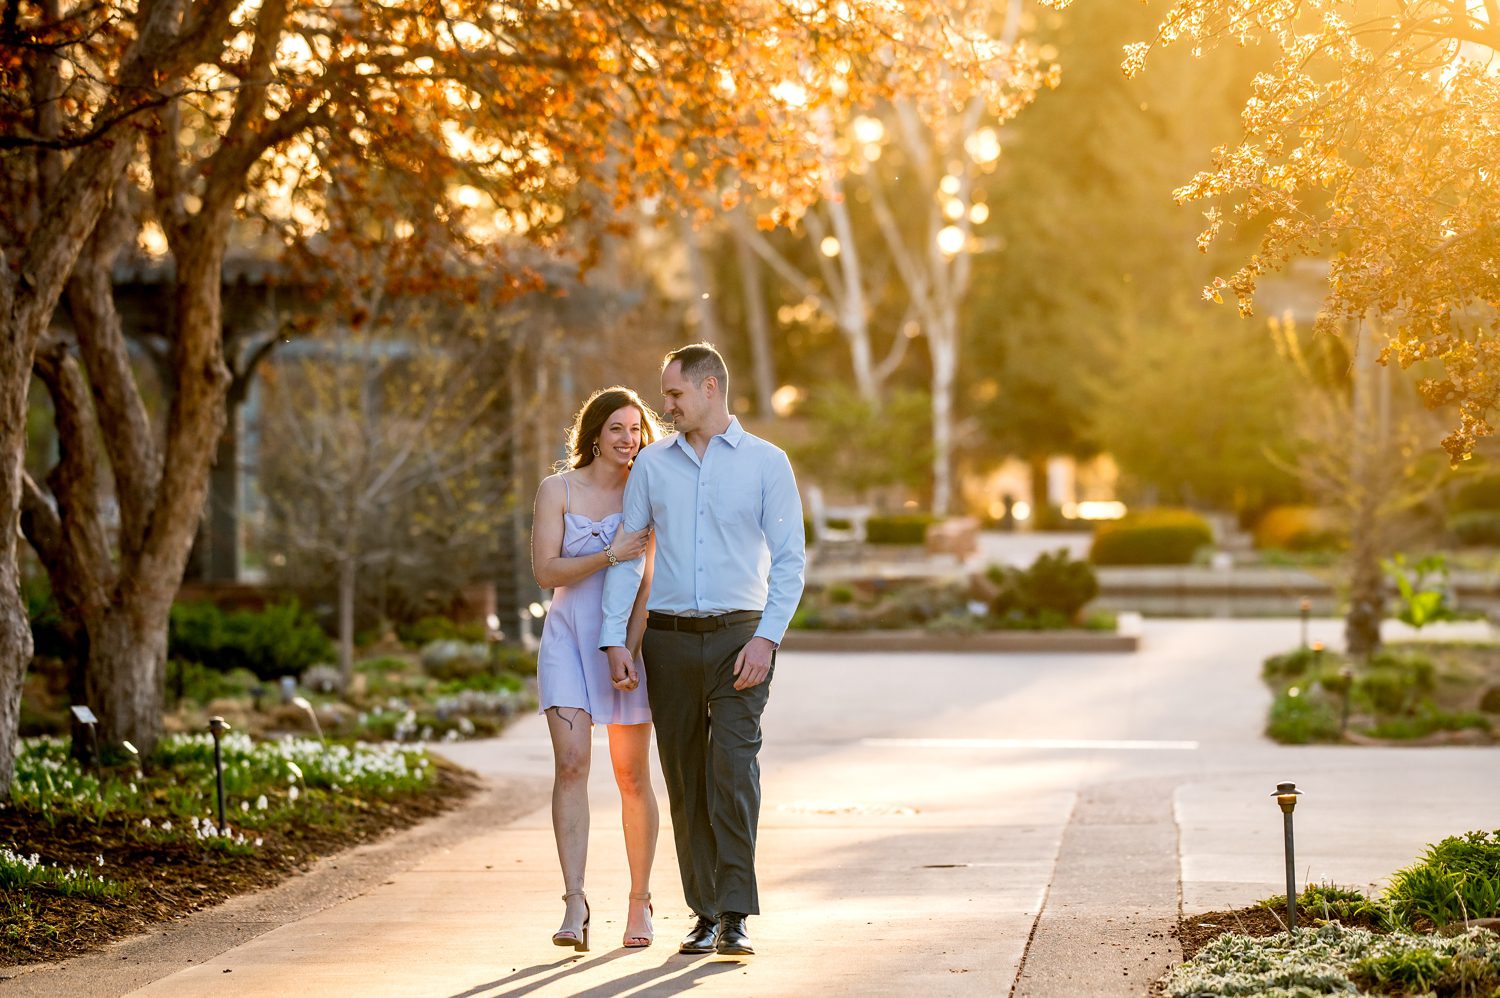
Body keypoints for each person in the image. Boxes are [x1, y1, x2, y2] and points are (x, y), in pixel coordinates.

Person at [600, 343, 806, 957]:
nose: (664, 406)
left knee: (732, 772)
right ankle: (704, 909)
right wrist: (616, 639)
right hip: (665, 641)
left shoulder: (768, 464)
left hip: (741, 638)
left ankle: (736, 911)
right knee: (686, 779)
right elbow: (627, 552)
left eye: (674, 395)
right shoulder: (653, 467)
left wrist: (768, 637)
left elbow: (791, 561)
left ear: (710, 388)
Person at [531, 386, 661, 951]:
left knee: (632, 775)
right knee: (573, 765)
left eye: (636, 430)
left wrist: (627, 648)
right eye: (617, 429)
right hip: (567, 641)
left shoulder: (649, 492)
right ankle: (575, 903)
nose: (628, 439)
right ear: (594, 434)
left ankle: (640, 903)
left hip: (625, 646)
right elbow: (547, 572)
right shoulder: (556, 489)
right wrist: (609, 553)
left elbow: (649, 582)